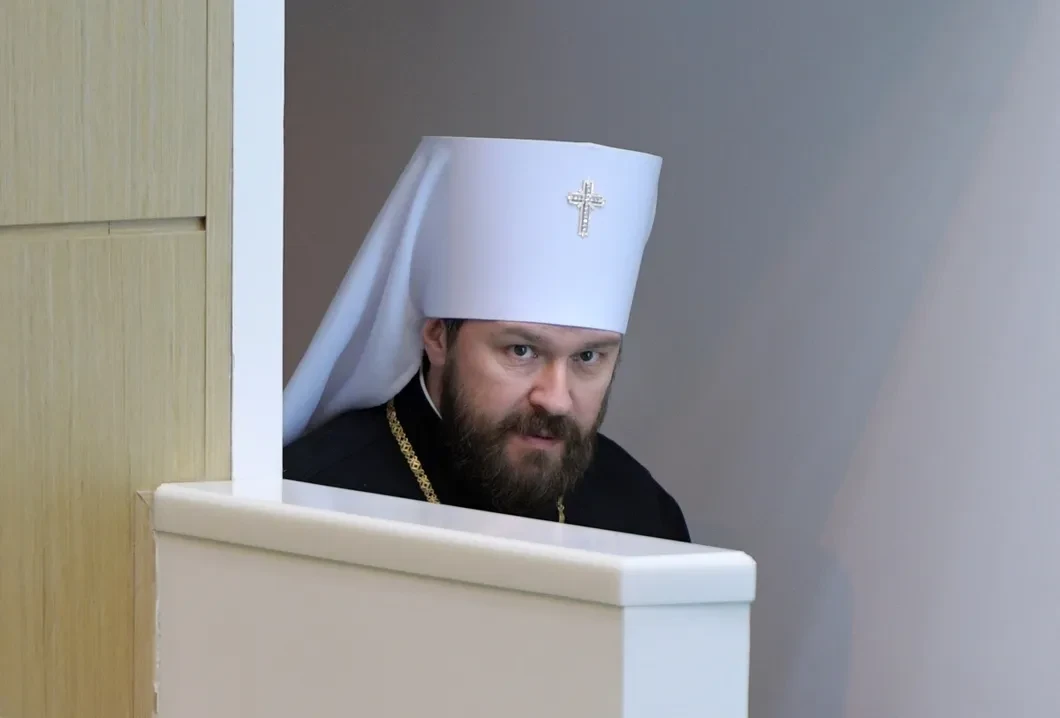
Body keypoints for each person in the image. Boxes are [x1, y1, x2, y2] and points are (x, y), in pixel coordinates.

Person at [282, 136, 690, 542]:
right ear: (438, 338)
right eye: (522, 350)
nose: (556, 400)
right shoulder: (311, 498)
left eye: (587, 357)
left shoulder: (642, 514)